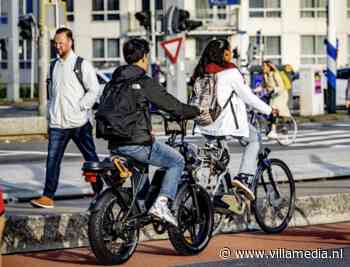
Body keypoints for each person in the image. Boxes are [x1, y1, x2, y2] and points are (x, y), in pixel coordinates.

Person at [108, 38, 200, 227]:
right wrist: (196, 111)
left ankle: (141, 209)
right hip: (137, 143)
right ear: (144, 57)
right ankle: (161, 204)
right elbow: (173, 106)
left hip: (115, 143)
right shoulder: (142, 80)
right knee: (177, 160)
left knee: (141, 171)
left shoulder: (114, 81)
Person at [192, 39, 274, 201]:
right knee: (254, 139)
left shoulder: (201, 72)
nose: (231, 56)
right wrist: (270, 110)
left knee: (221, 158)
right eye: (229, 52)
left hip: (204, 123)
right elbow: (248, 97)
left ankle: (220, 197)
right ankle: (244, 177)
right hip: (224, 123)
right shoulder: (230, 72)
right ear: (225, 54)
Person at [31, 27, 101, 208]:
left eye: (61, 42)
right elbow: (52, 94)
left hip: (79, 123)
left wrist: (80, 107)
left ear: (70, 42)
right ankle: (47, 197)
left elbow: (94, 90)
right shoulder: (53, 65)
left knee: (91, 160)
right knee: (52, 160)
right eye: (55, 42)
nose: (58, 46)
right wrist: (50, 115)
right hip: (57, 124)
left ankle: (100, 195)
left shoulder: (81, 64)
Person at [262, 60, 291, 139]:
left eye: (264, 66)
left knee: (275, 109)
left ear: (269, 67)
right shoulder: (265, 75)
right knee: (269, 110)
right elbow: (263, 86)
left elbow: (281, 87)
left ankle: (274, 131)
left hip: (281, 95)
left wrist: (274, 89)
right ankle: (275, 127)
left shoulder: (275, 74)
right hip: (273, 95)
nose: (263, 68)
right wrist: (253, 90)